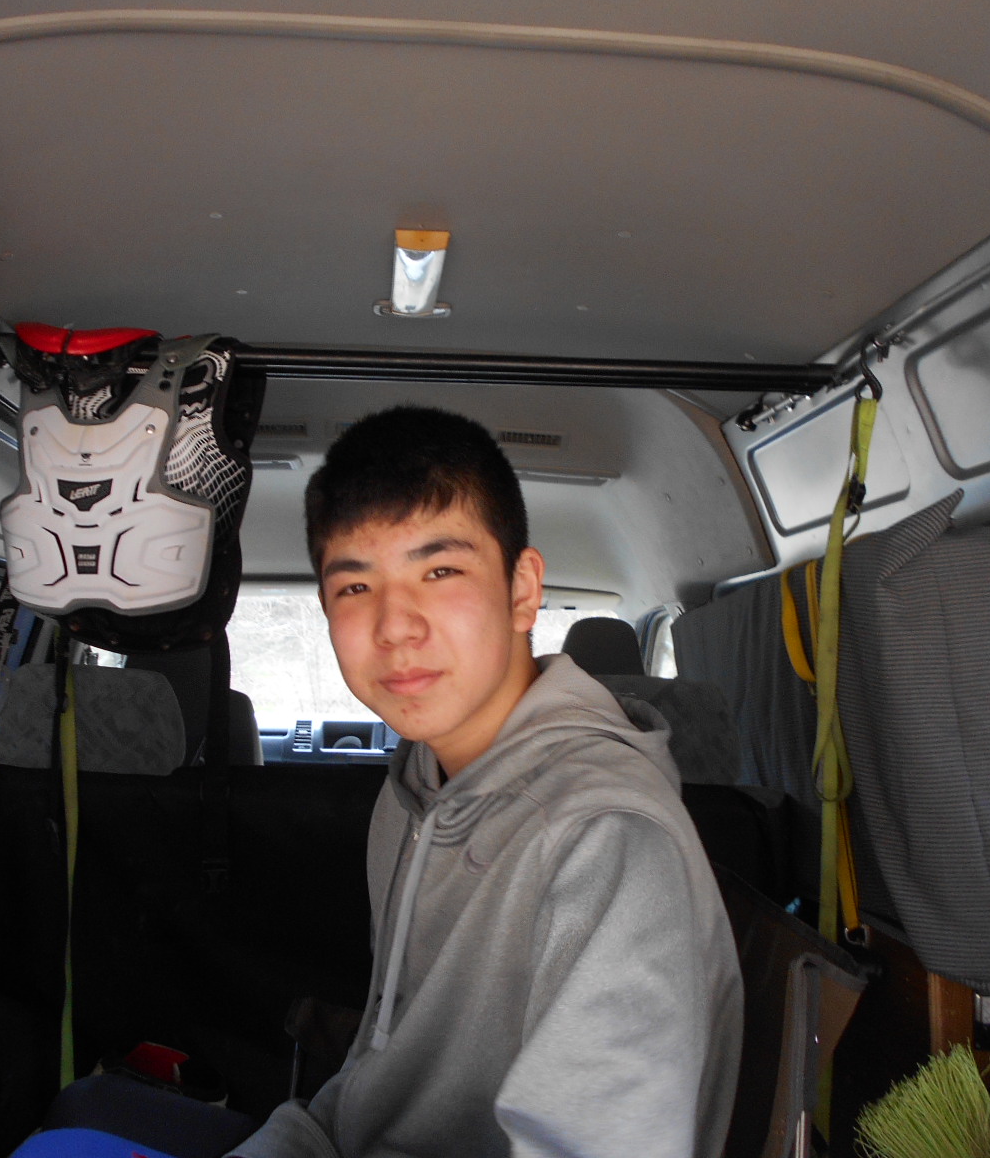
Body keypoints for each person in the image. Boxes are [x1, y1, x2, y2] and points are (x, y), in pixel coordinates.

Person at [231, 406, 742, 1158]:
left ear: (523, 590)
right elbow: (380, 1066)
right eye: (355, 587)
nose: (395, 626)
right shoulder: (414, 792)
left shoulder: (605, 840)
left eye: (440, 572)